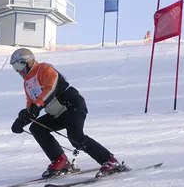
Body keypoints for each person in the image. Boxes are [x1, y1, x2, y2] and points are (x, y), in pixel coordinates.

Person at [9, 48, 128, 178]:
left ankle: (110, 161)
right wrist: (22, 121)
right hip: (57, 113)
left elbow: (51, 89)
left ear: (28, 62)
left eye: (19, 65)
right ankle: (61, 161)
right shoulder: (27, 83)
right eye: (15, 67)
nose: (18, 70)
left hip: (72, 107)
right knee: (36, 128)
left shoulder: (44, 69)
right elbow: (31, 106)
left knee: (75, 137)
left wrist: (36, 106)